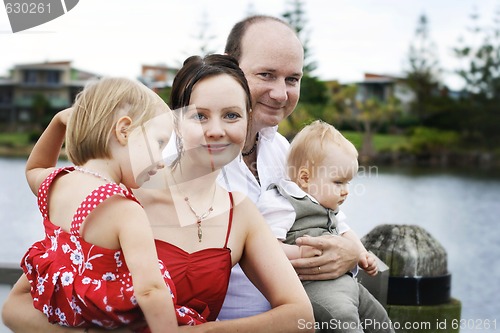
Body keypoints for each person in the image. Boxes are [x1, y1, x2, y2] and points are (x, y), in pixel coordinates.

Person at [2, 54, 315, 333]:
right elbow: (15, 307)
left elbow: (300, 317)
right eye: (200, 116)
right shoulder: (119, 195)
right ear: (174, 123)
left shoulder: (241, 214)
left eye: (232, 115)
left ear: (248, 121)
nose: (217, 130)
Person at [217, 15, 360, 320]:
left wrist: (350, 255)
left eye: (292, 79)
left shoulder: (285, 150)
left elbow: (328, 216)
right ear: (230, 68)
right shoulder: (187, 153)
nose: (281, 93)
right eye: (266, 74)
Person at [17, 77, 187, 332]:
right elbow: (150, 290)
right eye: (160, 143)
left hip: (68, 321)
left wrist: (58, 122)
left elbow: (35, 167)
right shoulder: (125, 211)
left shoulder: (55, 184)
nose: (162, 161)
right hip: (119, 323)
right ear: (124, 131)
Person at [259, 120, 394, 332]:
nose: (346, 190)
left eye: (348, 183)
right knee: (343, 320)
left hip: (347, 285)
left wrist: (362, 254)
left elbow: (345, 231)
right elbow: (266, 249)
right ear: (305, 178)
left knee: (379, 319)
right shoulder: (283, 202)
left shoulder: (328, 207)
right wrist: (300, 251)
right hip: (313, 289)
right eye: (338, 182)